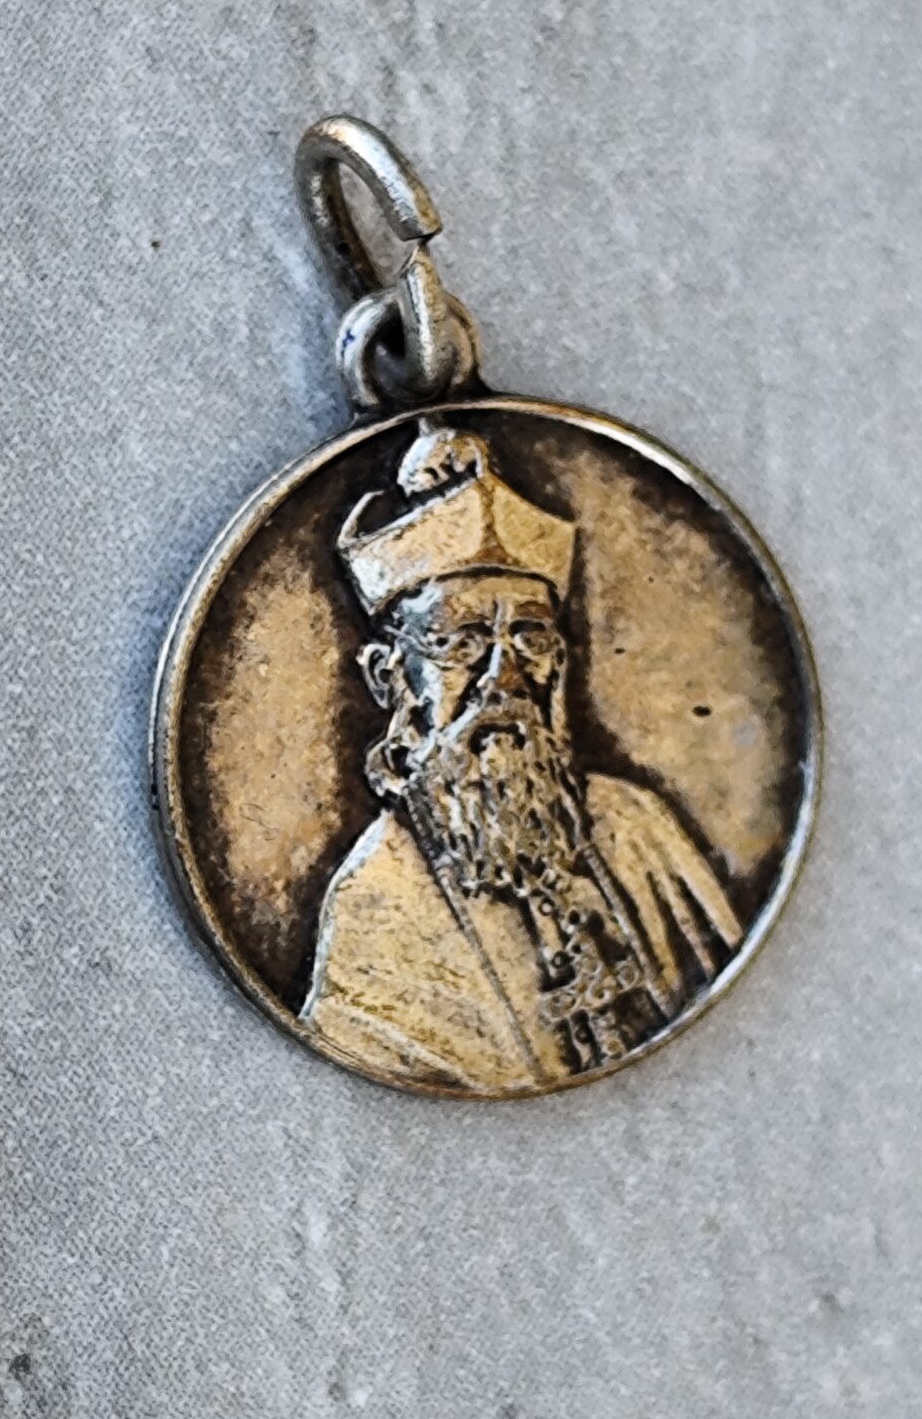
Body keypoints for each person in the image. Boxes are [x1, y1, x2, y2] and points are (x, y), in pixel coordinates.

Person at [300, 427, 741, 1093]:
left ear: (559, 663)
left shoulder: (637, 825)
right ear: (391, 678)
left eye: (530, 638)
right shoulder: (377, 904)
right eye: (461, 641)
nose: (503, 679)